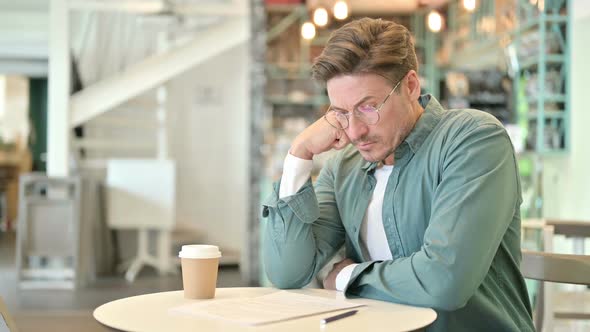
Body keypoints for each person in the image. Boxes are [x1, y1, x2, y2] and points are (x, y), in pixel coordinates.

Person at [261, 18, 535, 332]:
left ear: (410, 85)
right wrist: (299, 155)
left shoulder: (472, 139)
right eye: (340, 112)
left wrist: (347, 277)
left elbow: (444, 280)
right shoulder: (344, 167)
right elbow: (287, 272)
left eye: (367, 107)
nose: (355, 130)